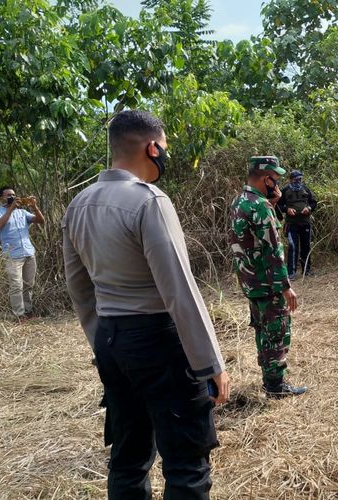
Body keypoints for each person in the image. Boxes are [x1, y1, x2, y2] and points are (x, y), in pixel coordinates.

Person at [62, 109, 230, 500]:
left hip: (111, 339)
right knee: (187, 462)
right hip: (158, 342)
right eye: (165, 148)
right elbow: (179, 288)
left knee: (128, 456)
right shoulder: (149, 201)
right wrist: (210, 364)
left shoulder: (78, 205)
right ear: (152, 147)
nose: (165, 156)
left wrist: (102, 341)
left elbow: (79, 289)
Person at [229, 156, 307, 398]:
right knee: (276, 331)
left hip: (250, 281)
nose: (278, 182)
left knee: (262, 330)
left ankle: (269, 378)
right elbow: (272, 249)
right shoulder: (260, 206)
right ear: (266, 178)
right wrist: (285, 286)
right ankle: (275, 385)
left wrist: (273, 202)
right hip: (268, 282)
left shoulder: (241, 201)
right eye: (276, 178)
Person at [0, 186, 45, 321]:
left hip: (28, 252)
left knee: (28, 285)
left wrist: (34, 206)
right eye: (9, 195)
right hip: (12, 255)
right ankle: (19, 315)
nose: (12, 197)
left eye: (14, 195)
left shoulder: (22, 212)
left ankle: (28, 311)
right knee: (16, 286)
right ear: (1, 198)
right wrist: (10, 209)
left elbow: (41, 221)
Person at [278, 170, 317, 279]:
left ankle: (307, 271)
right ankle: (291, 273)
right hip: (291, 224)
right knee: (293, 247)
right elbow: (278, 205)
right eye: (296, 179)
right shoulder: (285, 190)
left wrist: (308, 208)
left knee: (306, 246)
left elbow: (314, 203)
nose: (298, 181)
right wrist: (287, 209)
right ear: (290, 179)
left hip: (305, 223)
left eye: (300, 179)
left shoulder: (306, 189)